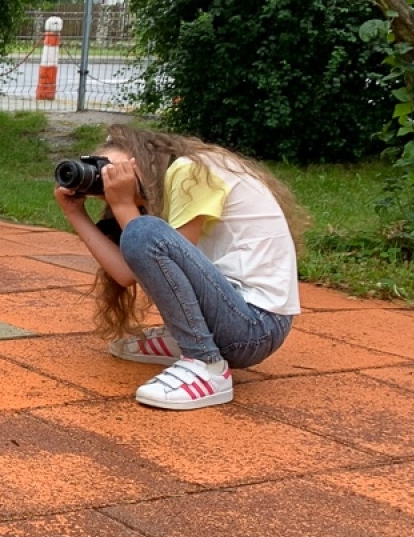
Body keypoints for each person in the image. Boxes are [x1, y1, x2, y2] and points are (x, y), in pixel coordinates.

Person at [54, 124, 307, 410]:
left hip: (255, 328)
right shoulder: (171, 180)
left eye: (115, 169)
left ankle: (206, 364)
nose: (112, 179)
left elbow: (161, 256)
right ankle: (188, 339)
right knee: (144, 230)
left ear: (142, 156)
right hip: (241, 321)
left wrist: (125, 206)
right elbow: (127, 274)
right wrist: (75, 212)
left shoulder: (191, 170)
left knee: (145, 230)